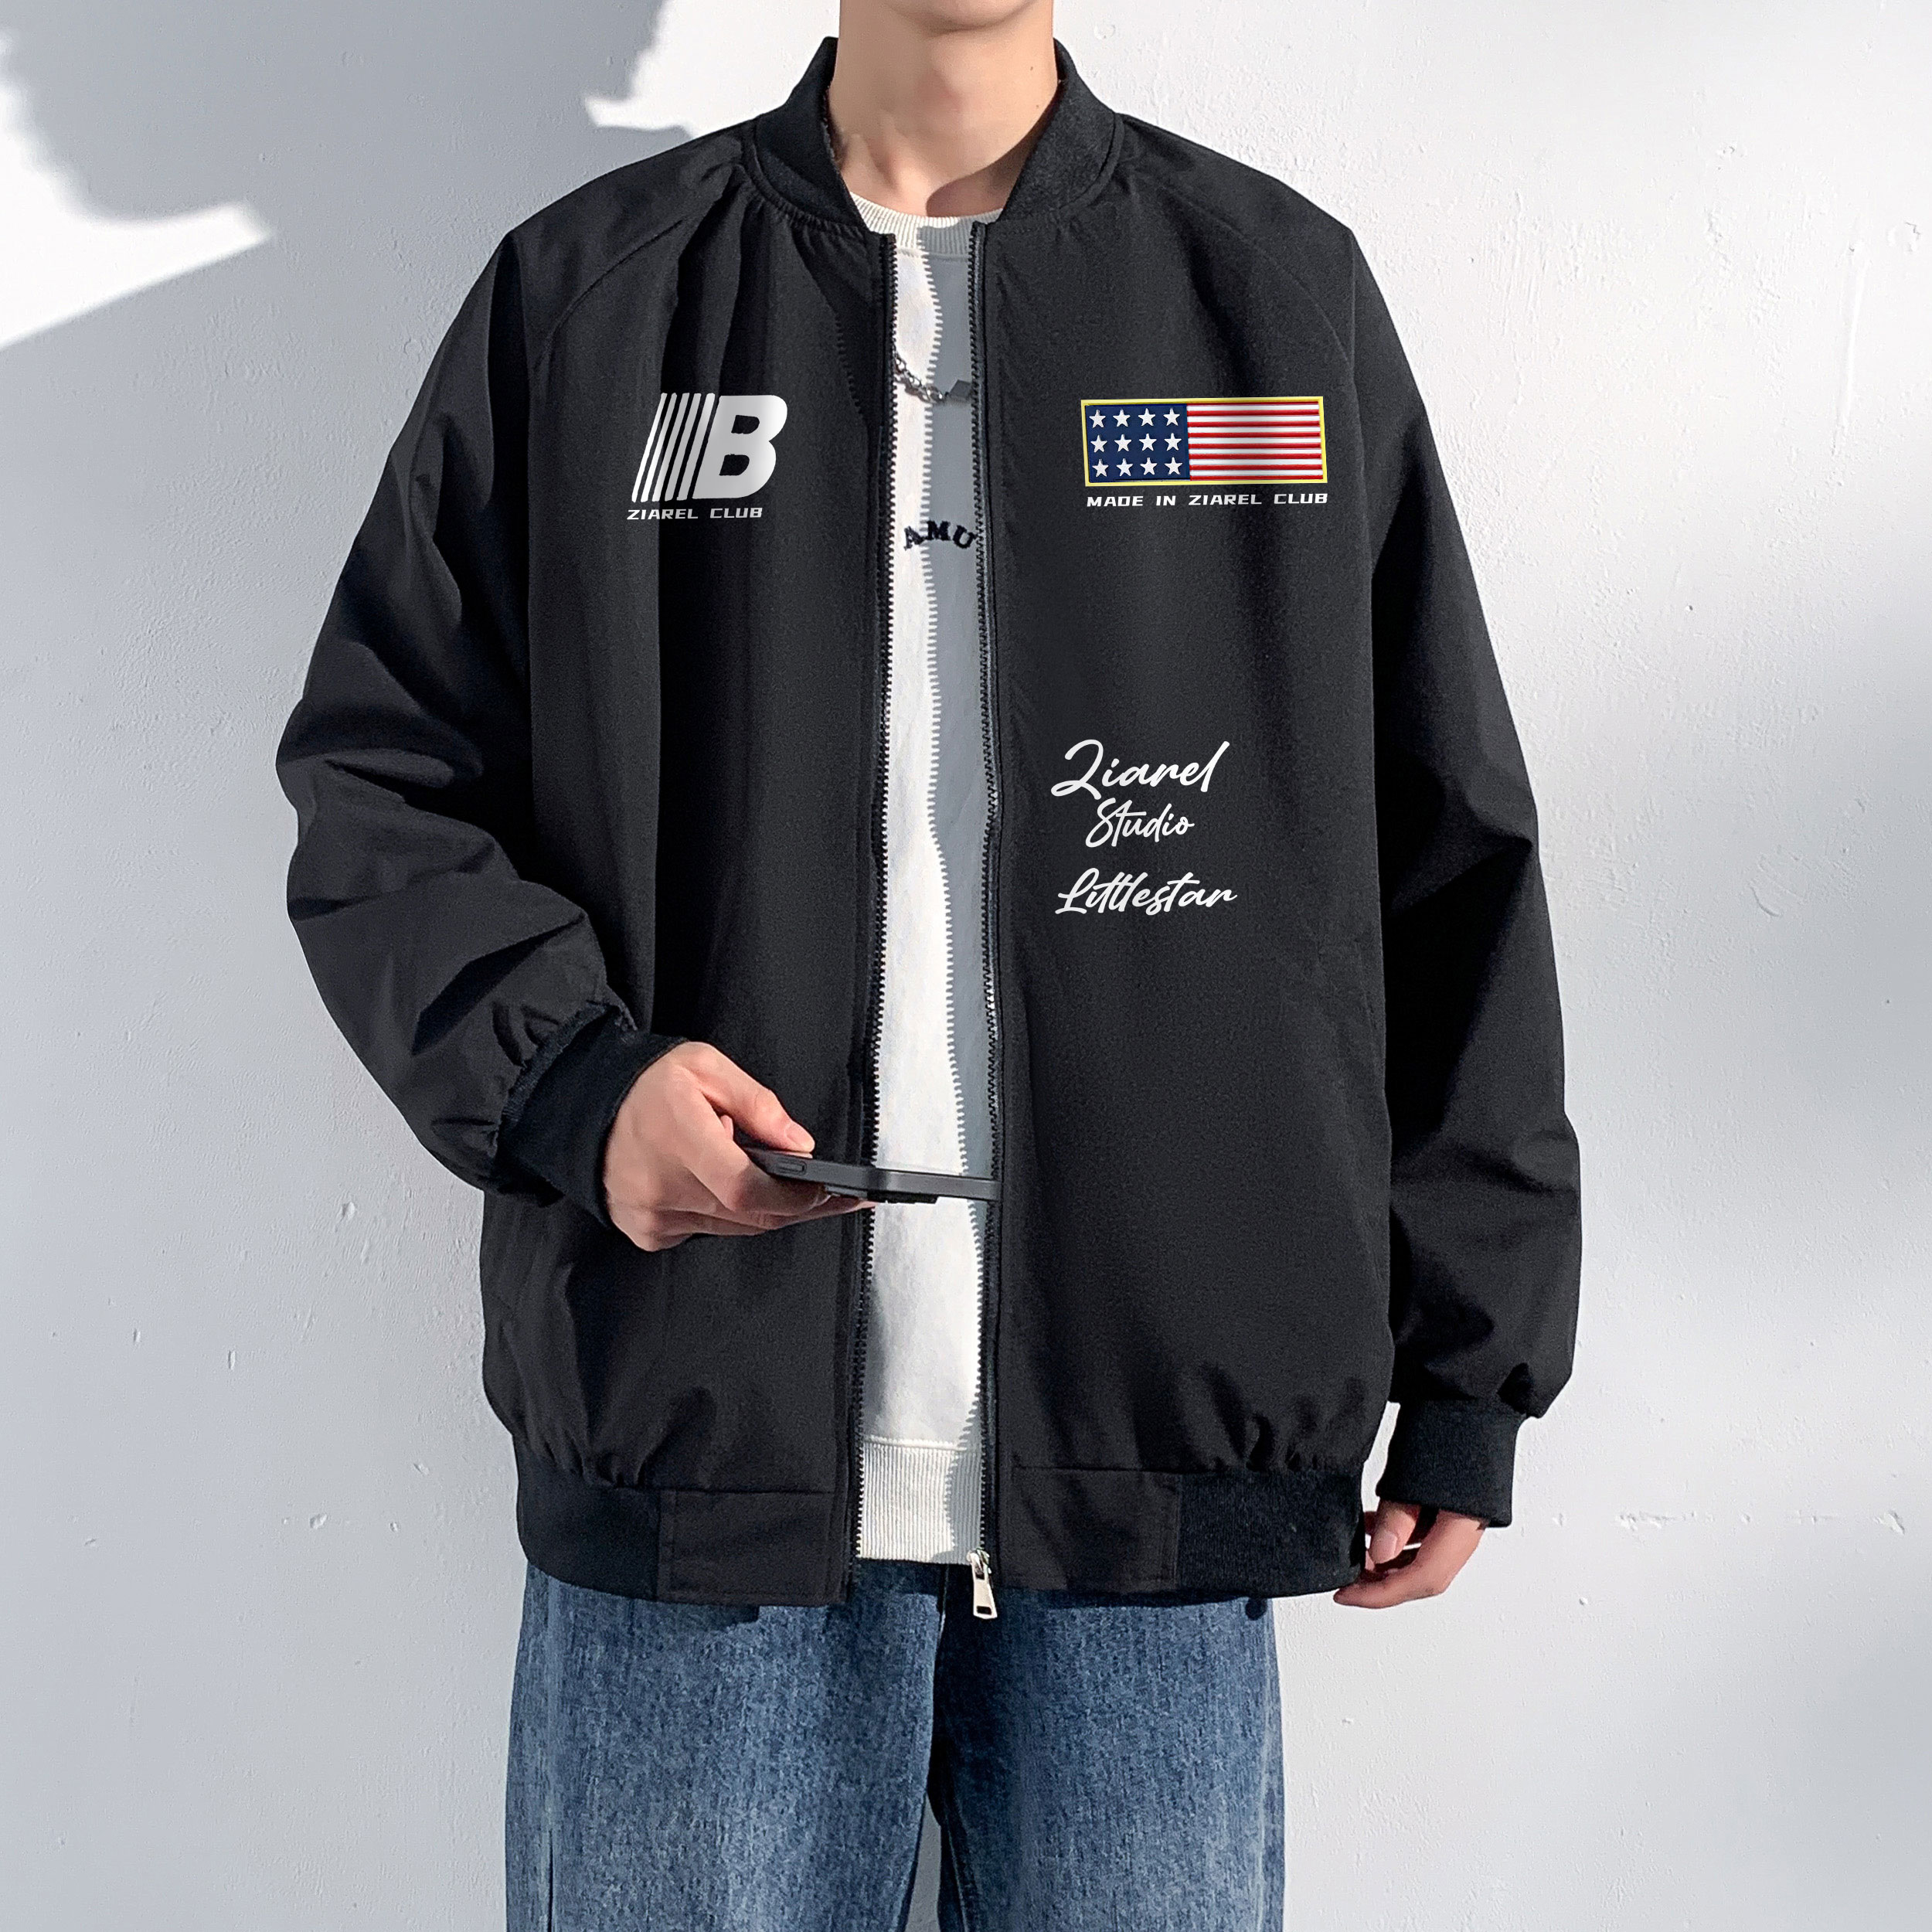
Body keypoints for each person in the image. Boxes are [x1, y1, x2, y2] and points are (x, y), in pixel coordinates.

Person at [276, 1, 1583, 1923]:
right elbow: (381, 781)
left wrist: (1470, 1362)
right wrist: (574, 1084)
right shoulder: (596, 299)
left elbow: (1439, 852)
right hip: (697, 1481)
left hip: (1151, 1498)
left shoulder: (1264, 301)